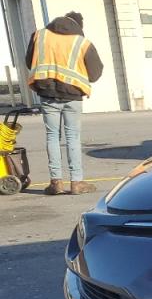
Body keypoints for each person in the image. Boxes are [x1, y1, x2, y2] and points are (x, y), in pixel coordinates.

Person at [26, 11, 103, 195]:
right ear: (78, 26)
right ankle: (76, 183)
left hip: (47, 93)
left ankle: (56, 183)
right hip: (73, 96)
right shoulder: (82, 42)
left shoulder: (39, 35)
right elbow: (95, 73)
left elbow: (30, 62)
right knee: (72, 138)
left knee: (52, 137)